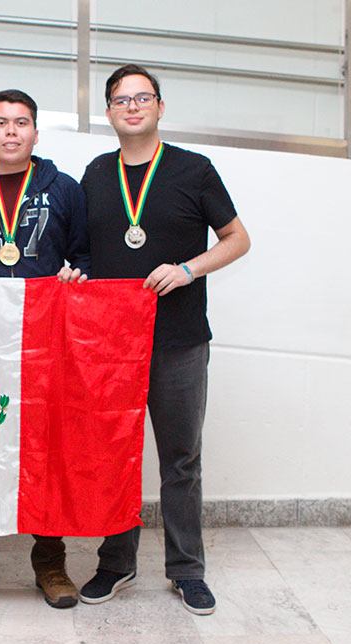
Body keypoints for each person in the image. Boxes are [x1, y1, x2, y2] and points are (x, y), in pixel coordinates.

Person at [78, 64, 251, 615]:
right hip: (110, 344)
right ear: (107, 112)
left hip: (178, 341)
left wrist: (189, 269)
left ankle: (186, 571)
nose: (132, 106)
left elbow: (238, 239)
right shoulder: (95, 174)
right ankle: (116, 564)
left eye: (143, 97)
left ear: (159, 106)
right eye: (121, 99)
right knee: (113, 456)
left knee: (180, 459)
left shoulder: (193, 169)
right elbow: (79, 250)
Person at [0, 89, 90, 609]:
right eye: (1, 122)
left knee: (45, 451)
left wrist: (76, 272)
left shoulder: (64, 189)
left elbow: (82, 256)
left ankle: (49, 562)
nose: (10, 131)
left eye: (20, 122)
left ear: (35, 132)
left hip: (45, 342)